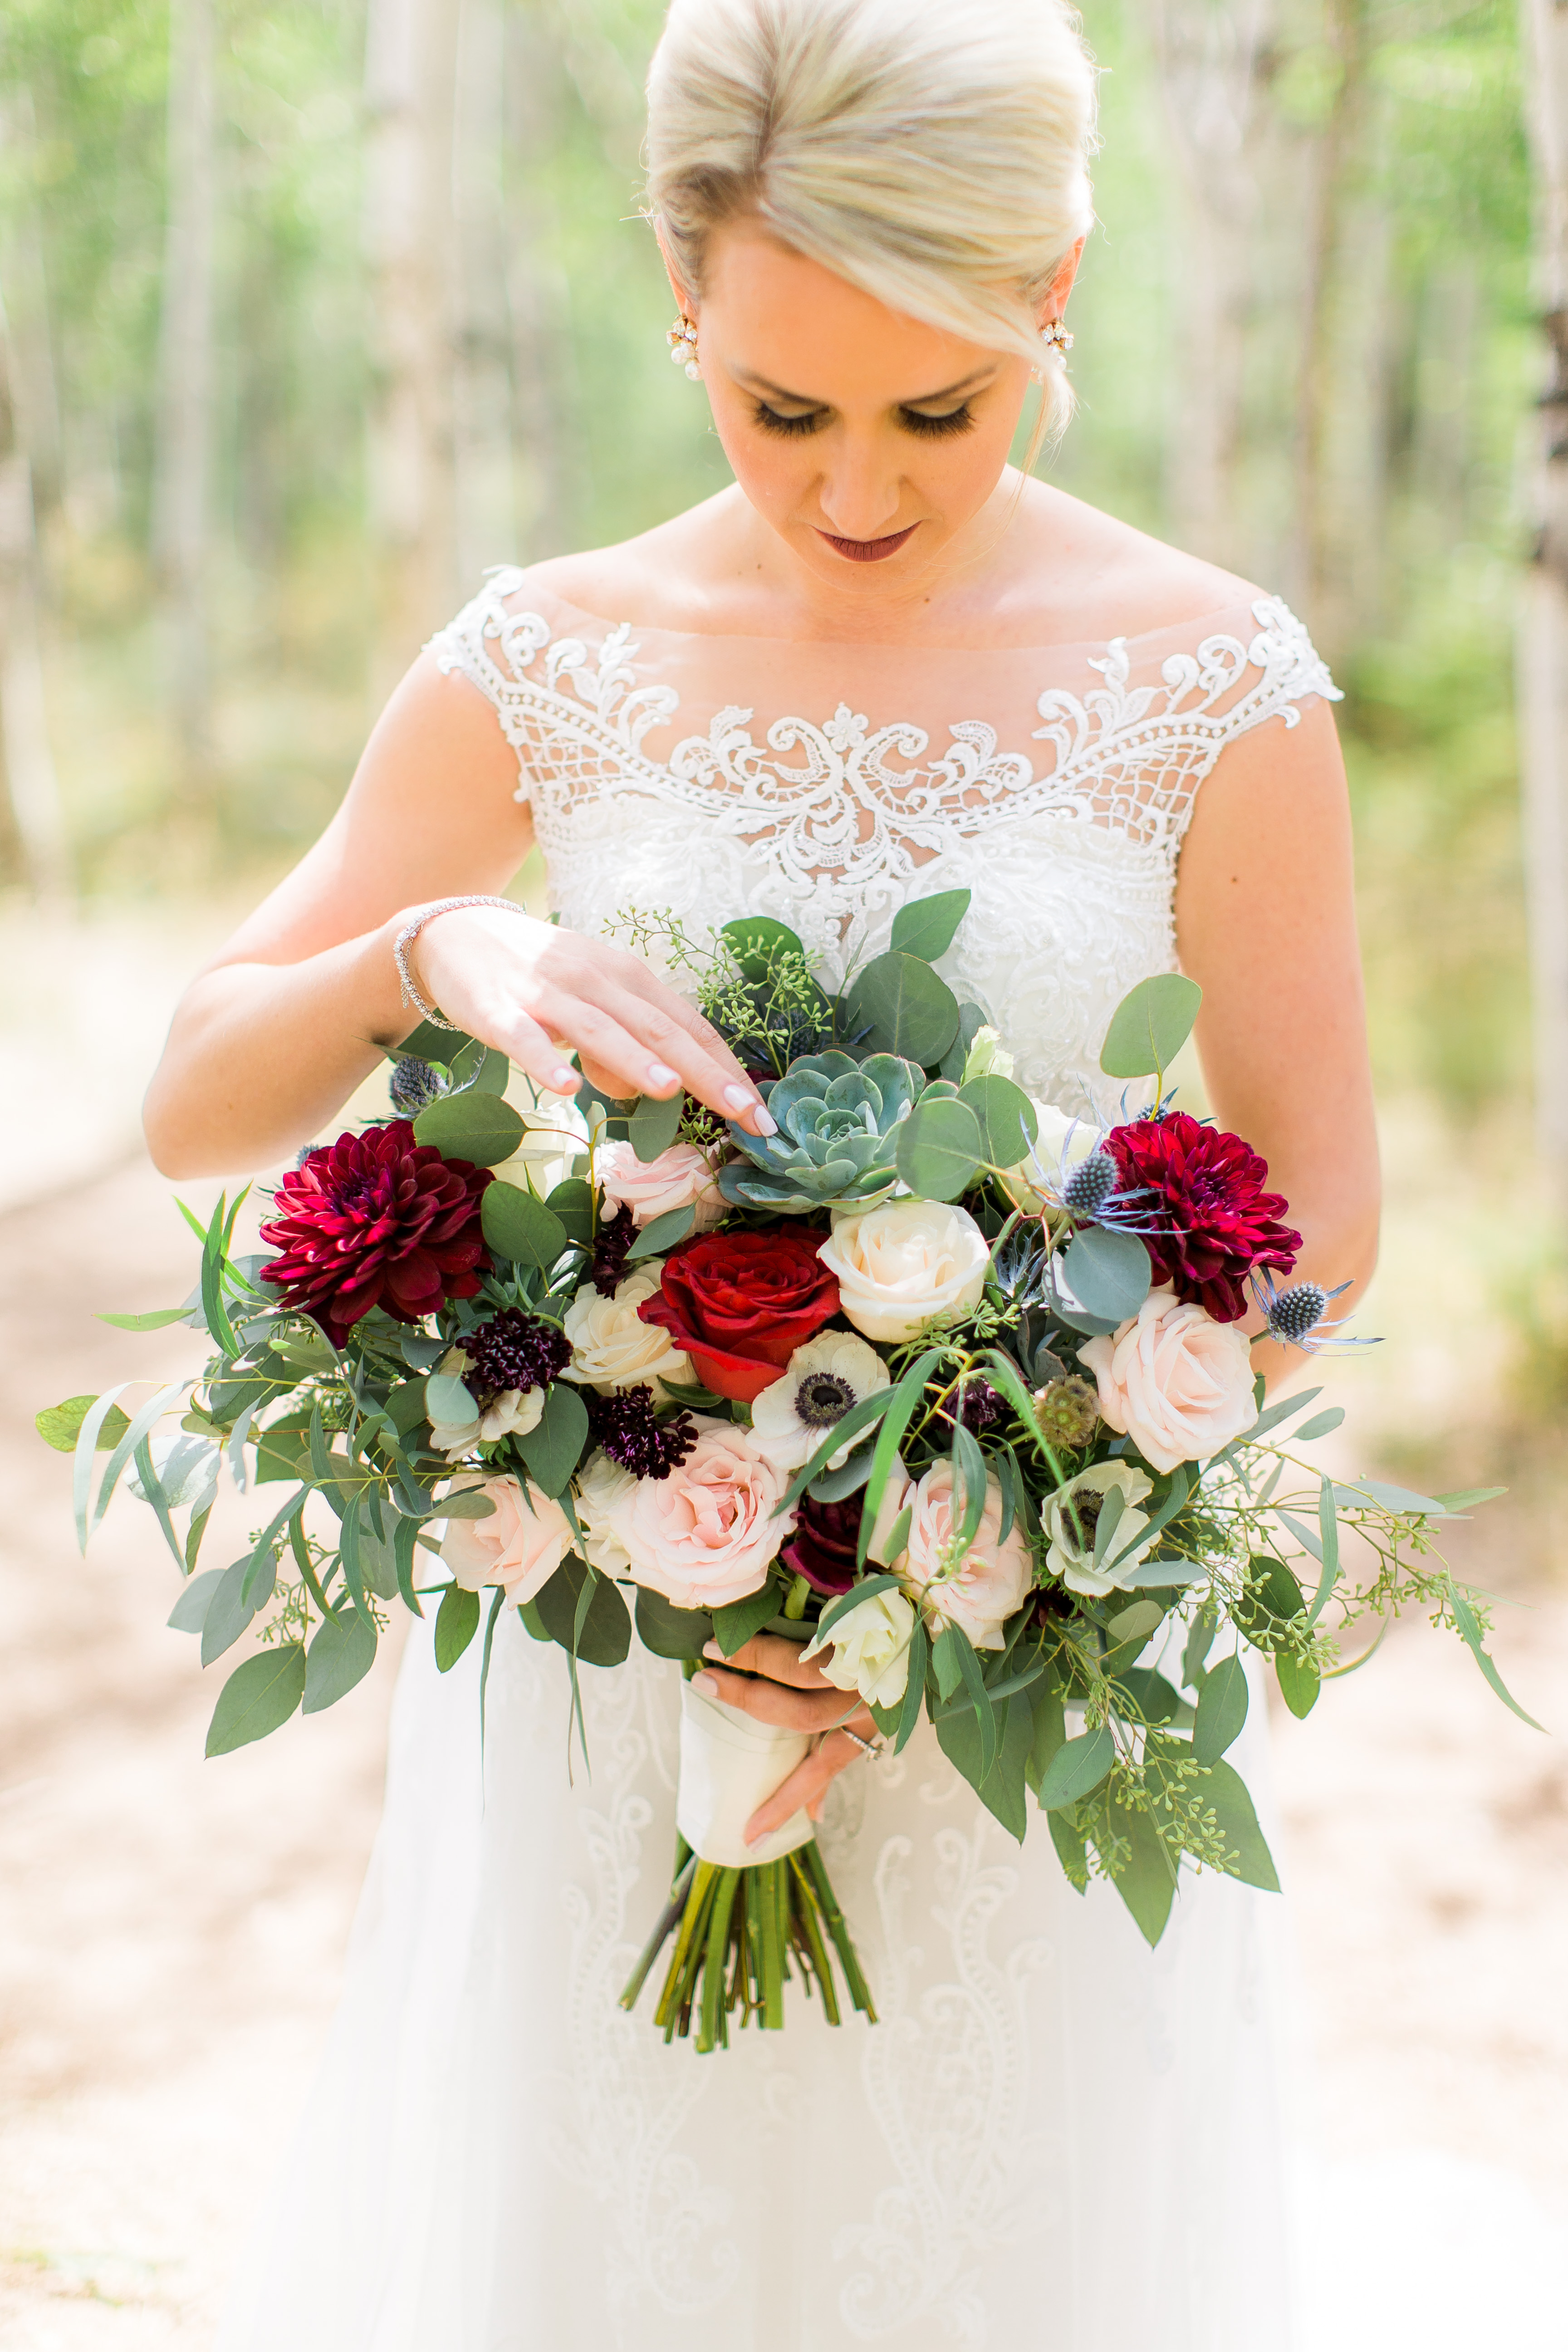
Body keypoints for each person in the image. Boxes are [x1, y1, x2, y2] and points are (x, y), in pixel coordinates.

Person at [147, 0, 1379, 2343]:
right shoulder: (555, 656)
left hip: (1025, 1725)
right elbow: (198, 1093)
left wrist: (976, 1545)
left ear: (1059, 292)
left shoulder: (1219, 688)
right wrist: (433, 948)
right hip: (620, 1700)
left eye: (944, 405)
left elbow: (1317, 1214)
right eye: (779, 403)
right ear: (679, 294)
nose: (858, 490)